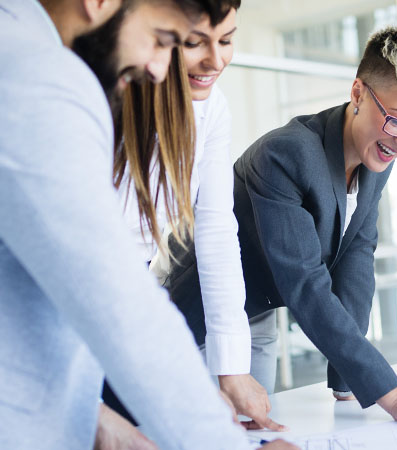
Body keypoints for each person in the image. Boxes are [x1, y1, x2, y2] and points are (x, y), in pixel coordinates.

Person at [0, 0, 288, 449]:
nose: (158, 68)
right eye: (166, 39)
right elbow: (110, 294)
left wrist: (93, 416)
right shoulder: (41, 77)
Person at [230, 24, 397, 427]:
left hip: (258, 317)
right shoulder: (285, 154)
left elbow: (356, 260)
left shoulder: (374, 160)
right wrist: (391, 394)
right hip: (203, 319)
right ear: (358, 93)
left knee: (256, 432)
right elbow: (305, 283)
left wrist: (346, 382)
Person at [102, 0, 285, 433]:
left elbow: (218, 234)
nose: (216, 60)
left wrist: (231, 368)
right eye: (193, 42)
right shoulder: (110, 96)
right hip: (78, 288)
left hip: (133, 291)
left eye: (226, 40)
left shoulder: (212, 110)